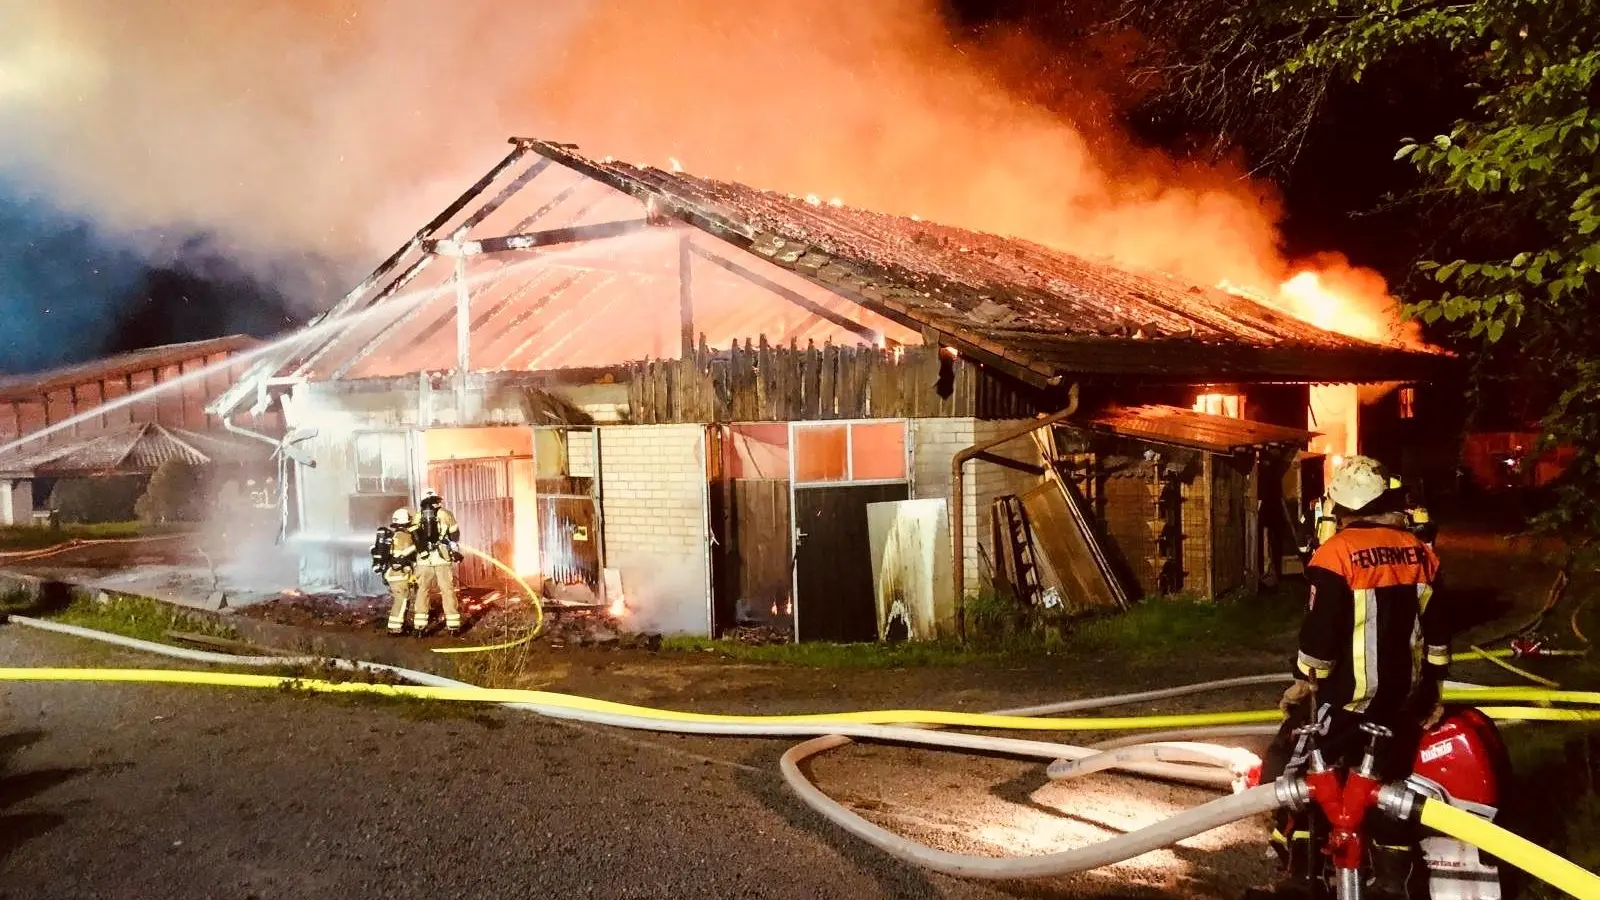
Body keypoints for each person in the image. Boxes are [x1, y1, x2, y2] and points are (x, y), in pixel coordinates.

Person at [1259, 455, 1451, 896]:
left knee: (1289, 771)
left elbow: (1320, 633)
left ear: (1341, 509)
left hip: (1346, 700)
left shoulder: (1335, 554)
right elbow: (1438, 631)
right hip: (1401, 703)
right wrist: (1433, 689)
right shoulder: (1420, 552)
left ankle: (1299, 872)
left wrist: (1305, 678)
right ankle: (1389, 882)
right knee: (1388, 787)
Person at [413, 488, 464, 635]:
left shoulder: (418, 516)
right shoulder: (447, 514)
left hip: (423, 560)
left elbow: (413, 537)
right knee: (447, 590)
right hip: (442, 558)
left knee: (422, 591)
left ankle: (420, 627)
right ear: (437, 499)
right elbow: (455, 535)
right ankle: (453, 626)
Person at [371, 508, 419, 636]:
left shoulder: (393, 536)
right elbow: (406, 554)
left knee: (402, 599)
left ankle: (398, 625)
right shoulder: (404, 536)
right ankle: (395, 628)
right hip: (398, 574)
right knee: (401, 600)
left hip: (392, 573)